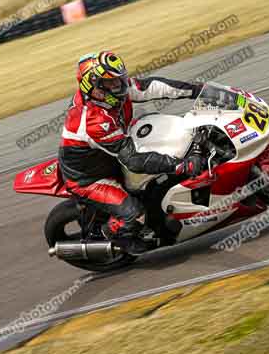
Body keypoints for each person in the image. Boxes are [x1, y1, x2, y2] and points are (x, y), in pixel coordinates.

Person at [59, 51, 205, 254]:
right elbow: (133, 160)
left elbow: (152, 87)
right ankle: (112, 237)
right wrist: (179, 164)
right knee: (135, 214)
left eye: (119, 79)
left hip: (113, 151)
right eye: (110, 83)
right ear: (94, 86)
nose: (119, 85)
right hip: (90, 178)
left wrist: (197, 90)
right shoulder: (94, 120)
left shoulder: (112, 93)